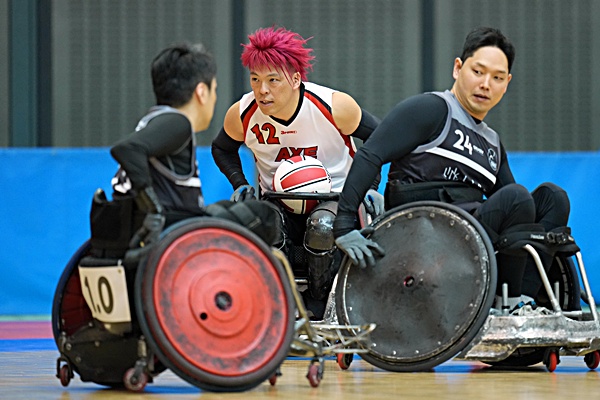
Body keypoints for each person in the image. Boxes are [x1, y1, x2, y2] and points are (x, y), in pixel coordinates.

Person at [332, 27, 570, 316]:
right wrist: (344, 224)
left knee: (553, 198)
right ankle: (506, 303)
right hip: (421, 238)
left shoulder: (492, 144)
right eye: (478, 72)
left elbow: (520, 213)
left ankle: (523, 302)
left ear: (507, 83)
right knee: (517, 197)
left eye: (497, 78)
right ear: (458, 68)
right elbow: (371, 154)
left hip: (470, 239)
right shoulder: (431, 109)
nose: (485, 84)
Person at [211, 26, 384, 317]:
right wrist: (239, 183)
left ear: (294, 79)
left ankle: (319, 304)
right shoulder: (242, 113)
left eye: (272, 80)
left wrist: (371, 186)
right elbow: (221, 148)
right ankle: (281, 305)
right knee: (264, 225)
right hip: (277, 199)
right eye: (255, 79)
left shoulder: (334, 106)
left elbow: (380, 140)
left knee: (322, 227)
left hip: (336, 198)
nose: (262, 90)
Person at [108, 42, 279, 259]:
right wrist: (152, 209)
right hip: (176, 229)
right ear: (201, 92)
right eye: (214, 90)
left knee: (234, 207)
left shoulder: (154, 119)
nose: (214, 98)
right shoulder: (178, 122)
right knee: (262, 214)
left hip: (159, 222)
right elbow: (127, 149)